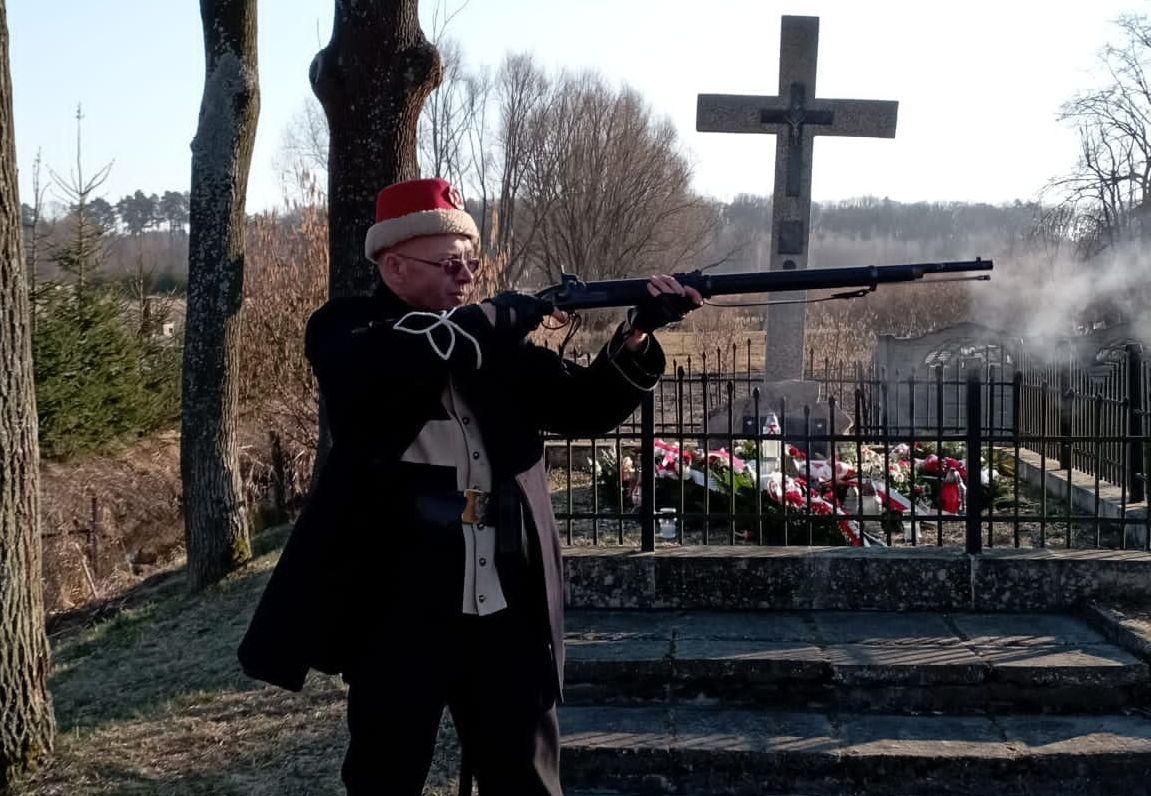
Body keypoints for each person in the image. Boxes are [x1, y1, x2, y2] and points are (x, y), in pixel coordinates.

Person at [238, 177, 702, 795]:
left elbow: (585, 406)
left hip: (505, 600)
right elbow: (397, 359)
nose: (466, 277)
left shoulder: (492, 343)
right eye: (449, 264)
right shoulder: (345, 329)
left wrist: (637, 333)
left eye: (471, 263)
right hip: (397, 609)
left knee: (527, 780)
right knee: (385, 777)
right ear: (395, 266)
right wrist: (492, 320)